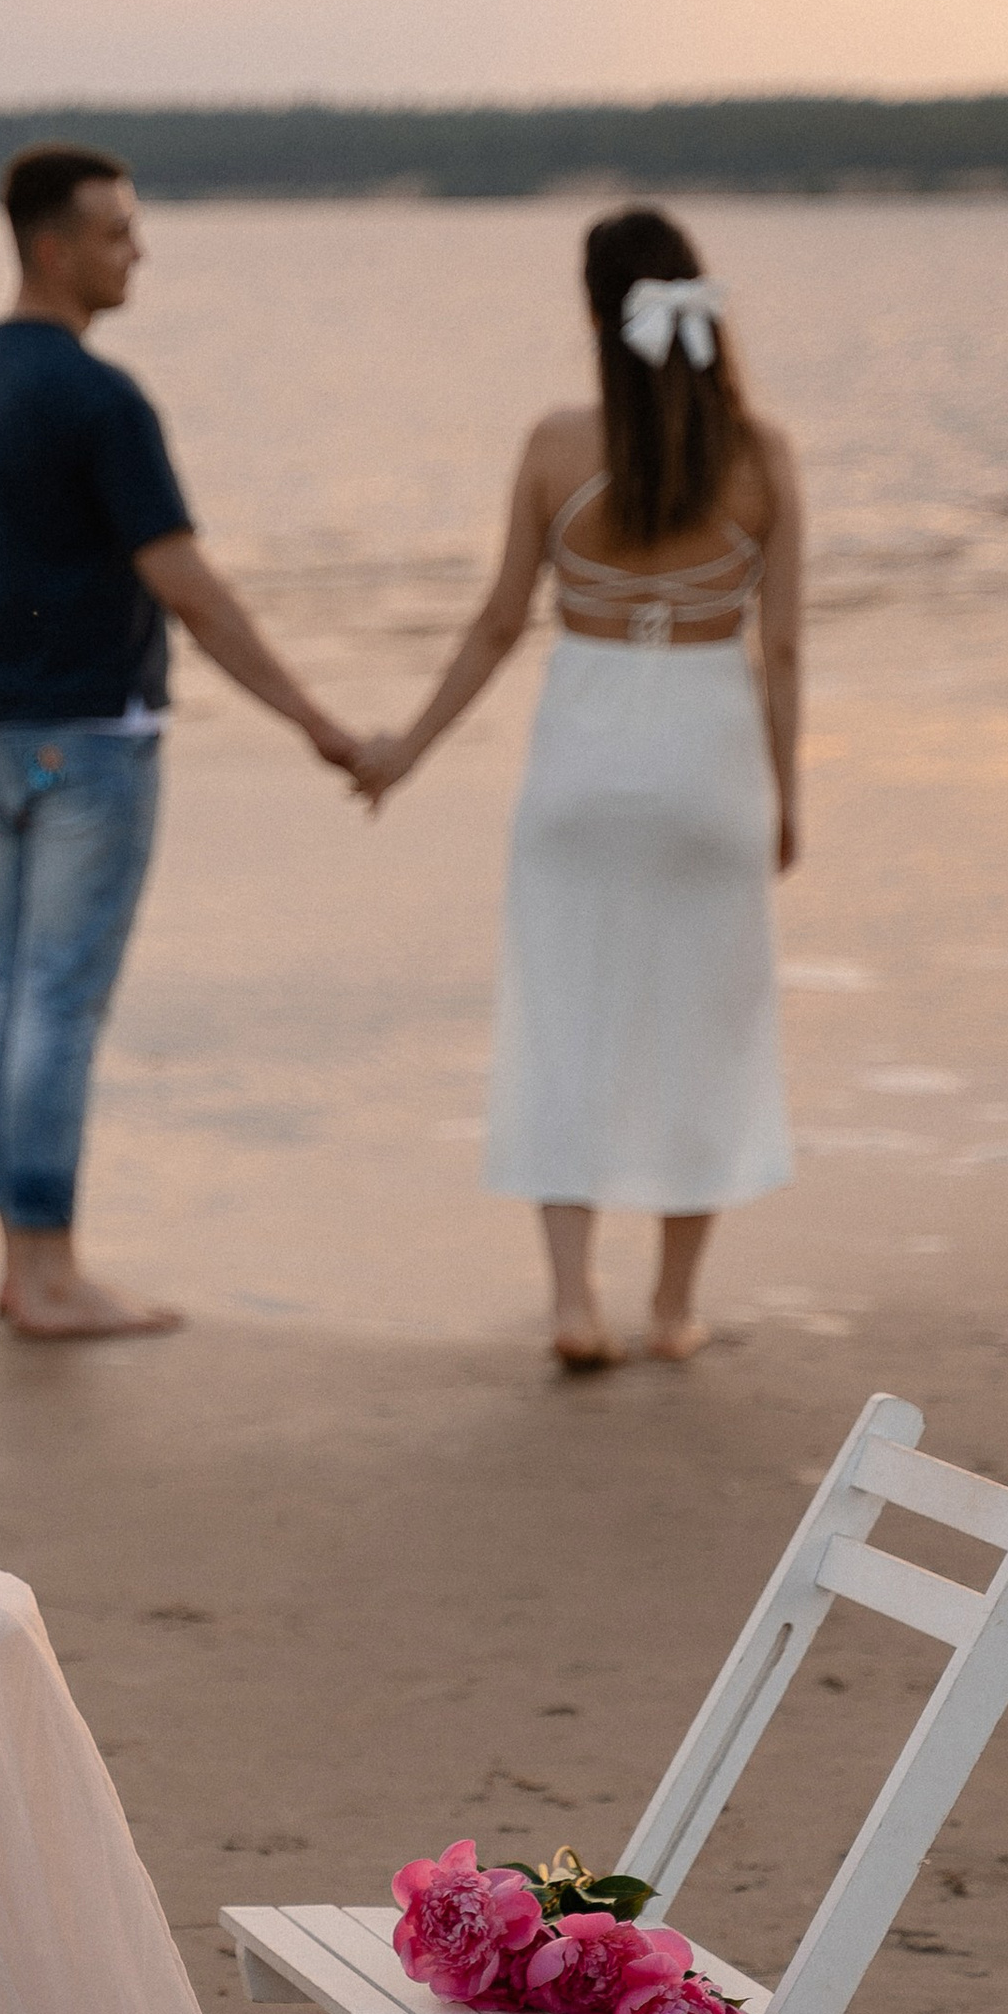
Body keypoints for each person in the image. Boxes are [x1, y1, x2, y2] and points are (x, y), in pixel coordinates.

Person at [0, 143, 361, 1338]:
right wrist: (316, 721)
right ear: (53, 246)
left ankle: (21, 1258)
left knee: (11, 984)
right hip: (89, 736)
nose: (138, 251)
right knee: (56, 996)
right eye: (117, 232)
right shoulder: (98, 399)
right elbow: (188, 586)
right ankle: (49, 1272)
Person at [355, 206, 801, 1369]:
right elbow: (784, 649)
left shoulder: (555, 442)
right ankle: (670, 1309)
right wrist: (786, 795)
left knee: (567, 1018)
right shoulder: (760, 454)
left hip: (585, 761)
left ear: (595, 313)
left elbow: (500, 622)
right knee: (701, 1025)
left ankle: (570, 1302)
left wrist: (401, 749)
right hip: (708, 758)